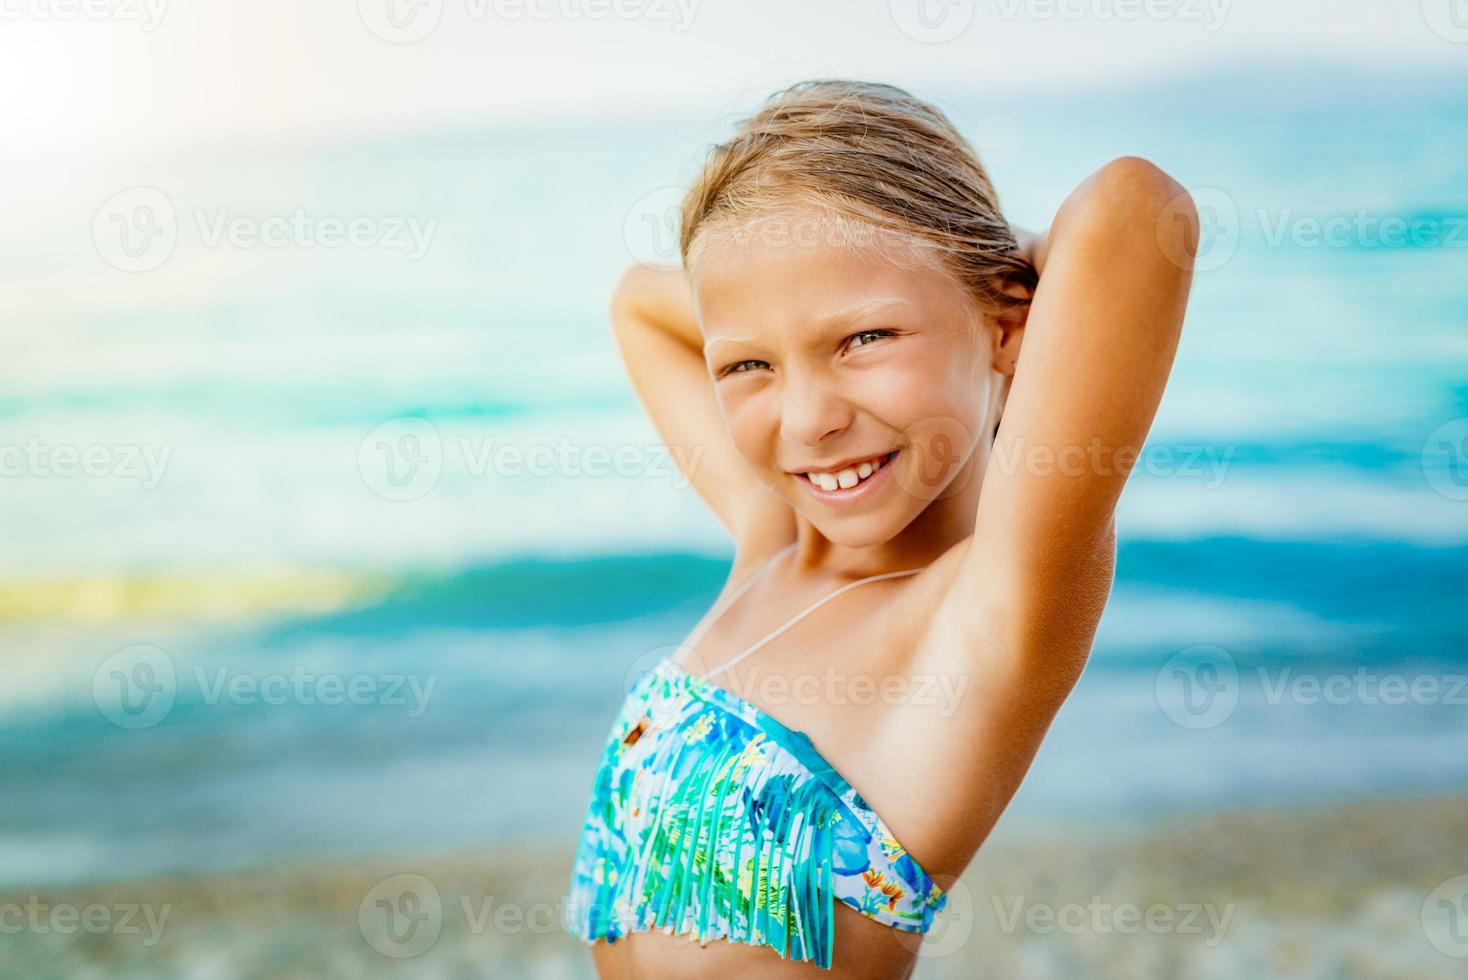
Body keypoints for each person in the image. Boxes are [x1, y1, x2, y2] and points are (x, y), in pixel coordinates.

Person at [565, 78, 1198, 978]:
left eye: (864, 339)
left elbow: (1135, 210)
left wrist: (966, 269)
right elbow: (638, 302)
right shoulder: (771, 546)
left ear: (1012, 320)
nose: (808, 419)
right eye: (750, 363)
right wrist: (829, 264)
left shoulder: (983, 618)